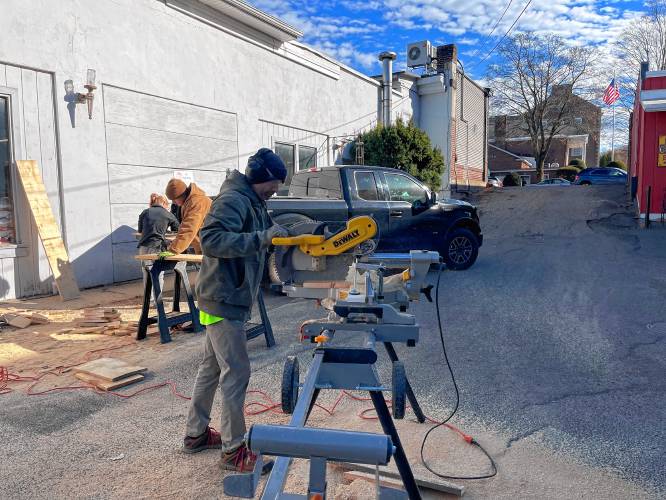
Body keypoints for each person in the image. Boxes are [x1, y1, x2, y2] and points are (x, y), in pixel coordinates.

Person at [182, 148, 288, 473]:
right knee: (236, 372)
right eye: (274, 184)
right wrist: (260, 239)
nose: (275, 191)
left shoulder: (254, 200)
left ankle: (195, 435)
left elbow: (264, 231)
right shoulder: (235, 199)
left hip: (223, 296)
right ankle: (233, 450)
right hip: (223, 299)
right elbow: (211, 239)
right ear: (260, 177)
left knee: (211, 368)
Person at [137, 193, 180, 300]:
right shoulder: (167, 214)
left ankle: (149, 300)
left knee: (146, 273)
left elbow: (140, 230)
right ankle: (157, 300)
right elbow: (178, 229)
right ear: (164, 203)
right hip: (158, 247)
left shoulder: (145, 212)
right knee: (158, 274)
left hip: (144, 247)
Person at [163, 178, 212, 255]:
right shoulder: (188, 202)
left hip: (213, 247)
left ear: (181, 195)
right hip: (206, 247)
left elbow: (189, 228)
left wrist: (173, 250)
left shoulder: (196, 202)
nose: (174, 203)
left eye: (174, 200)